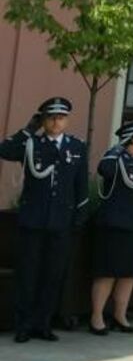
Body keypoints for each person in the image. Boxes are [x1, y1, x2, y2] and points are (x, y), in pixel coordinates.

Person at [1, 96, 89, 342]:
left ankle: (43, 324)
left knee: (52, 275)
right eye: (50, 117)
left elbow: (81, 185)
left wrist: (79, 218)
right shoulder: (32, 144)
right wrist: (30, 128)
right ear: (44, 119)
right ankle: (23, 325)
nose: (55, 122)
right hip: (34, 220)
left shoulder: (76, 147)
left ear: (67, 120)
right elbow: (5, 150)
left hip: (61, 221)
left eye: (60, 117)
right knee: (28, 274)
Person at [89, 120, 133, 333]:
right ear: (126, 141)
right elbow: (104, 170)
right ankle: (97, 316)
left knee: (129, 273)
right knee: (108, 272)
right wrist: (117, 149)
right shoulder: (116, 159)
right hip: (115, 224)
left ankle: (120, 314)